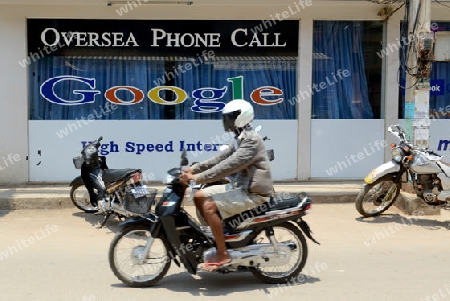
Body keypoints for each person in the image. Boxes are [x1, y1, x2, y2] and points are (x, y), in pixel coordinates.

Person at [180, 99, 273, 272]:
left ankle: (223, 253)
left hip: (253, 192)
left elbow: (228, 166)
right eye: (226, 118)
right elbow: (219, 159)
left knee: (208, 207)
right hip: (241, 187)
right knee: (199, 196)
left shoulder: (251, 140)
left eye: (230, 117)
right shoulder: (240, 138)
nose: (227, 121)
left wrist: (197, 177)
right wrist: (193, 168)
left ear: (241, 118)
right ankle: (219, 235)